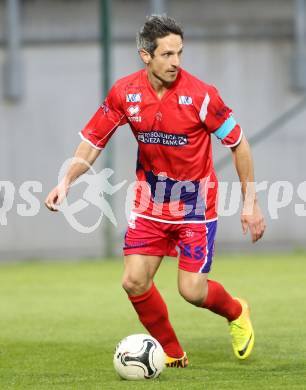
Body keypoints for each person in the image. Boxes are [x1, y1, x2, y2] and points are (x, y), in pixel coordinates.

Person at [45, 15, 266, 367]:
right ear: (145, 55)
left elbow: (239, 144)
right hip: (151, 204)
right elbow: (92, 140)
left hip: (195, 206)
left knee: (192, 291)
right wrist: (66, 181)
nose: (175, 62)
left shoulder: (202, 97)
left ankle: (237, 311)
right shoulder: (125, 92)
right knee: (133, 280)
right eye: (166, 54)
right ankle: (173, 353)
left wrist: (250, 204)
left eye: (179, 53)